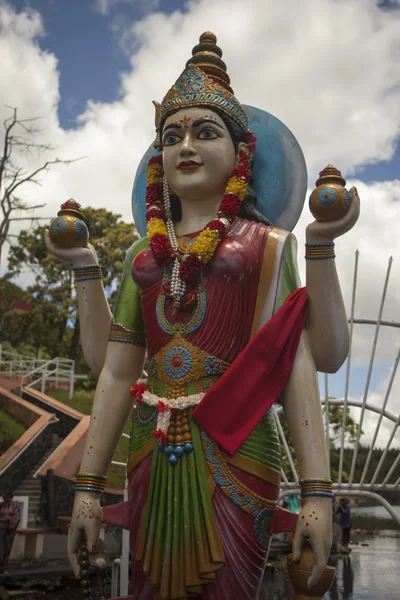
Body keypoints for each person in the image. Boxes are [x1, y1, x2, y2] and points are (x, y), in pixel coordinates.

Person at [46, 32, 359, 600]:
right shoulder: (143, 256)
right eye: (172, 136)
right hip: (149, 448)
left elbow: (305, 360)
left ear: (242, 153)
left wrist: (317, 490)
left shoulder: (270, 246)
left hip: (239, 447)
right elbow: (114, 370)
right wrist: (88, 488)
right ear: (158, 157)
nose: (185, 145)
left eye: (204, 132)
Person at [0, 490, 21, 572]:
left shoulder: (15, 506)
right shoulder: (2, 506)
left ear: (8, 496)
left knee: (7, 548)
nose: (3, 498)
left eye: (4, 496)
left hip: (9, 530)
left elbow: (17, 517)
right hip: (0, 529)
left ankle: (3, 567)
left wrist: (8, 521)